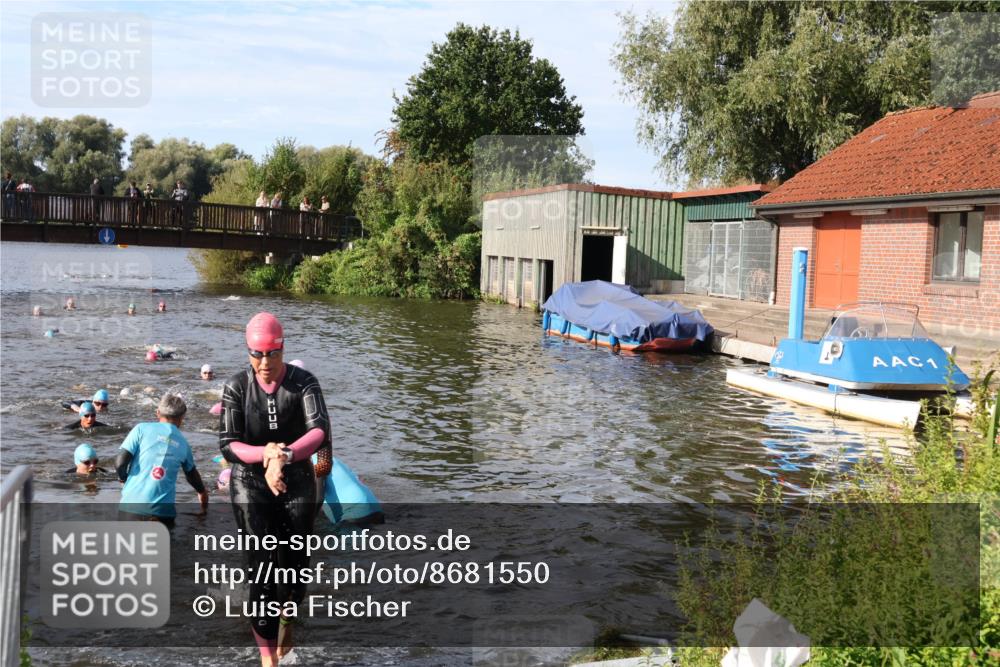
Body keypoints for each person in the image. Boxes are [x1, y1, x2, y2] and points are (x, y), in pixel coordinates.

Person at [219, 312, 330, 665]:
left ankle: (287, 619)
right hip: (250, 482)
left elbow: (319, 431)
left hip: (295, 477)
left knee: (295, 568)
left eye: (271, 354)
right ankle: (267, 659)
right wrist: (265, 456)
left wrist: (284, 455)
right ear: (248, 352)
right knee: (262, 571)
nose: (264, 363)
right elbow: (228, 443)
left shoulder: (304, 383)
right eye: (256, 354)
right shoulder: (237, 386)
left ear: (282, 349)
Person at [117, 393, 208, 529]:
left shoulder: (140, 429)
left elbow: (120, 463)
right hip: (162, 514)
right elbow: (191, 475)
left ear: (158, 413)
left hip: (130, 509)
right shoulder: (183, 443)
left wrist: (123, 479)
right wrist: (202, 493)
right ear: (182, 418)